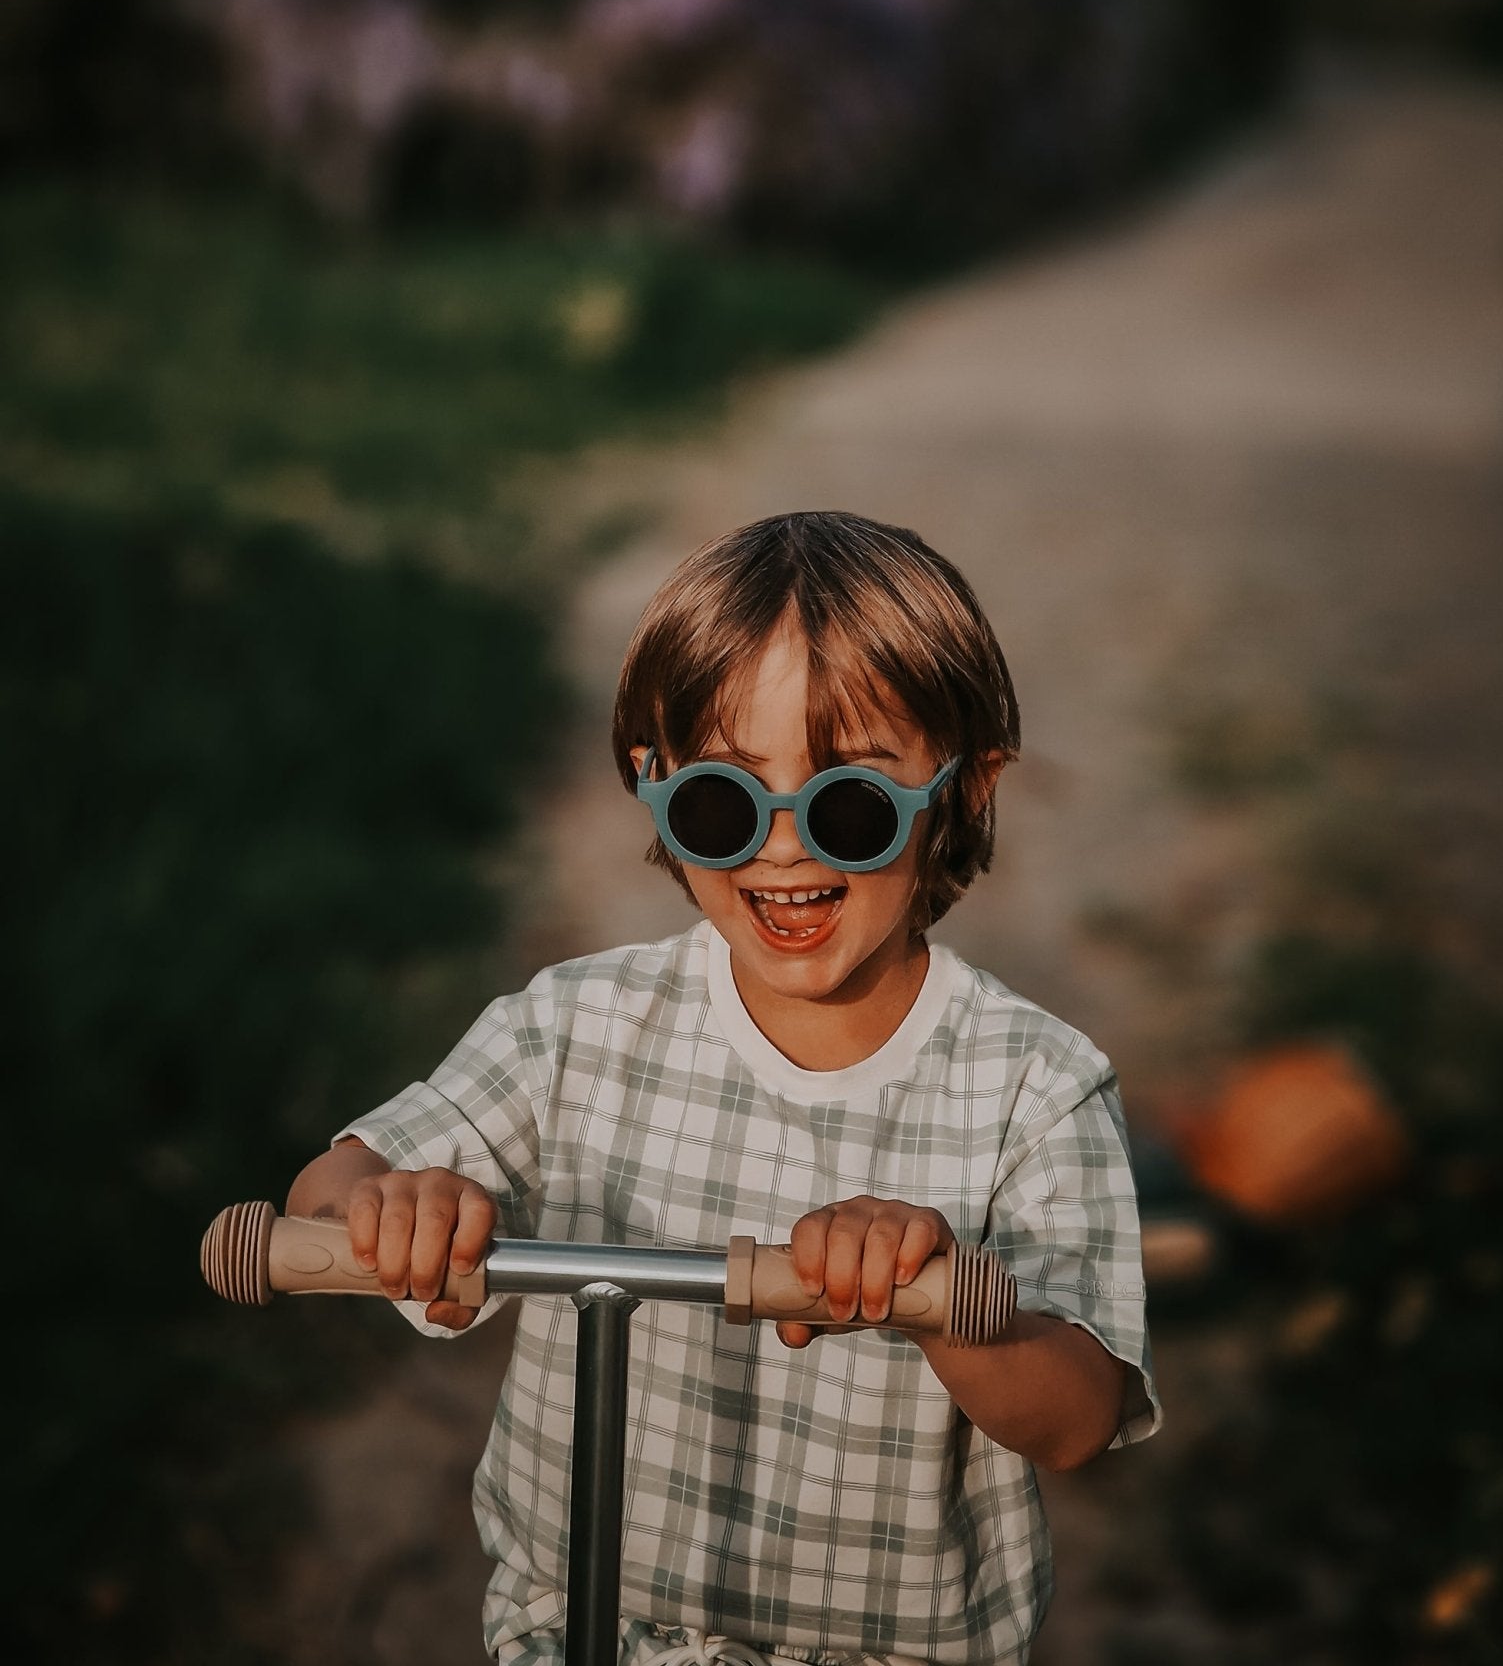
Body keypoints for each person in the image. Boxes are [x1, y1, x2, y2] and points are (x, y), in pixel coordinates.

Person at [287, 510, 1160, 1666]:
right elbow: (332, 1183)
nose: (784, 848)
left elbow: (1077, 1413)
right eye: (722, 801)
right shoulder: (578, 1026)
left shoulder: (1030, 1086)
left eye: (849, 803)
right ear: (653, 788)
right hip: (579, 1623)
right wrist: (383, 1208)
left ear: (963, 791)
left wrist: (941, 1299)